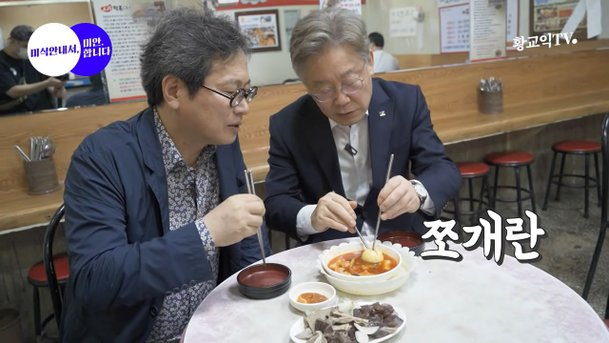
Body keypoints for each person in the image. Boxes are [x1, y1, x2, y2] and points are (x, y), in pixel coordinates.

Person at [61, 8, 269, 342]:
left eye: (247, 92)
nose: (243, 106)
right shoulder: (103, 156)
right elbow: (95, 279)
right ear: (173, 91)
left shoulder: (222, 139)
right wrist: (207, 233)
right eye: (232, 92)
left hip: (214, 329)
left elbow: (246, 242)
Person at [264, 8, 461, 245]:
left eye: (350, 82)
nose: (342, 100)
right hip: (331, 249)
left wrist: (416, 192)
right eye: (323, 90)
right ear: (305, 84)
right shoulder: (288, 124)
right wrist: (313, 215)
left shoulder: (405, 101)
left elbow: (441, 168)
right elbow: (276, 202)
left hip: (399, 240)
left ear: (369, 60)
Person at [0, 25, 65, 115]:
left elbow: (46, 81)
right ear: (11, 41)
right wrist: (47, 83)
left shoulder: (32, 59)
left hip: (43, 111)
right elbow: (12, 91)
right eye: (25, 46)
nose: (28, 49)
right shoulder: (2, 62)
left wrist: (56, 88)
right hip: (16, 115)